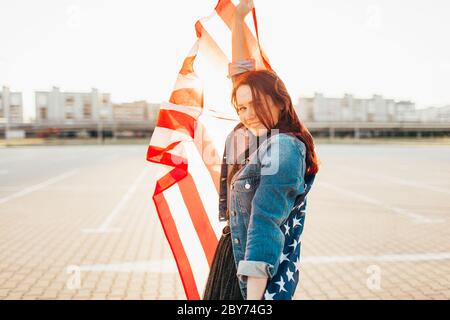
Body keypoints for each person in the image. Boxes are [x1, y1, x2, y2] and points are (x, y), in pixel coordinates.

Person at [203, 0, 319, 300]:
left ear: (281, 102)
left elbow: (265, 224)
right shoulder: (257, 135)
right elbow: (241, 74)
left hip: (254, 271)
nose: (247, 112)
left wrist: (254, 301)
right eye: (241, 107)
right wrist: (239, 18)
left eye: (257, 104)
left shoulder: (283, 147)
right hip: (234, 255)